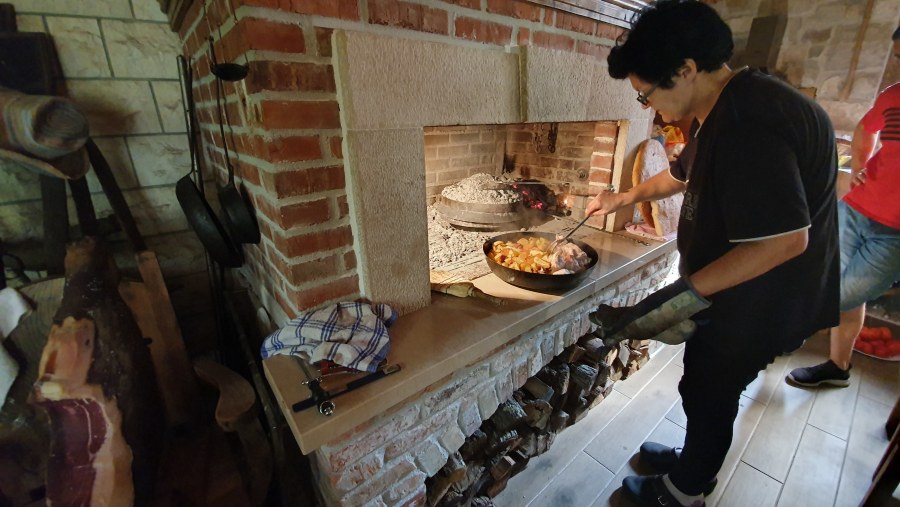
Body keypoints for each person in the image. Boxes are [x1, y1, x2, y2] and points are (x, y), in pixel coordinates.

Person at [584, 1, 840, 505]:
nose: (650, 110)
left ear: (686, 70)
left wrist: (681, 295)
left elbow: (786, 239)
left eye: (647, 95)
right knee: (703, 385)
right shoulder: (719, 108)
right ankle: (694, 458)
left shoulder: (750, 120)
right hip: (739, 290)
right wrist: (620, 198)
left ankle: (685, 490)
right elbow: (679, 175)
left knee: (710, 388)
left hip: (765, 296)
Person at [786, 28, 900, 387]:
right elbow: (866, 130)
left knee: (842, 294)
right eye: (898, 56)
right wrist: (862, 164)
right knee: (836, 285)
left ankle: (780, 330)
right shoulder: (893, 95)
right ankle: (838, 366)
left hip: (895, 232)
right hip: (855, 207)